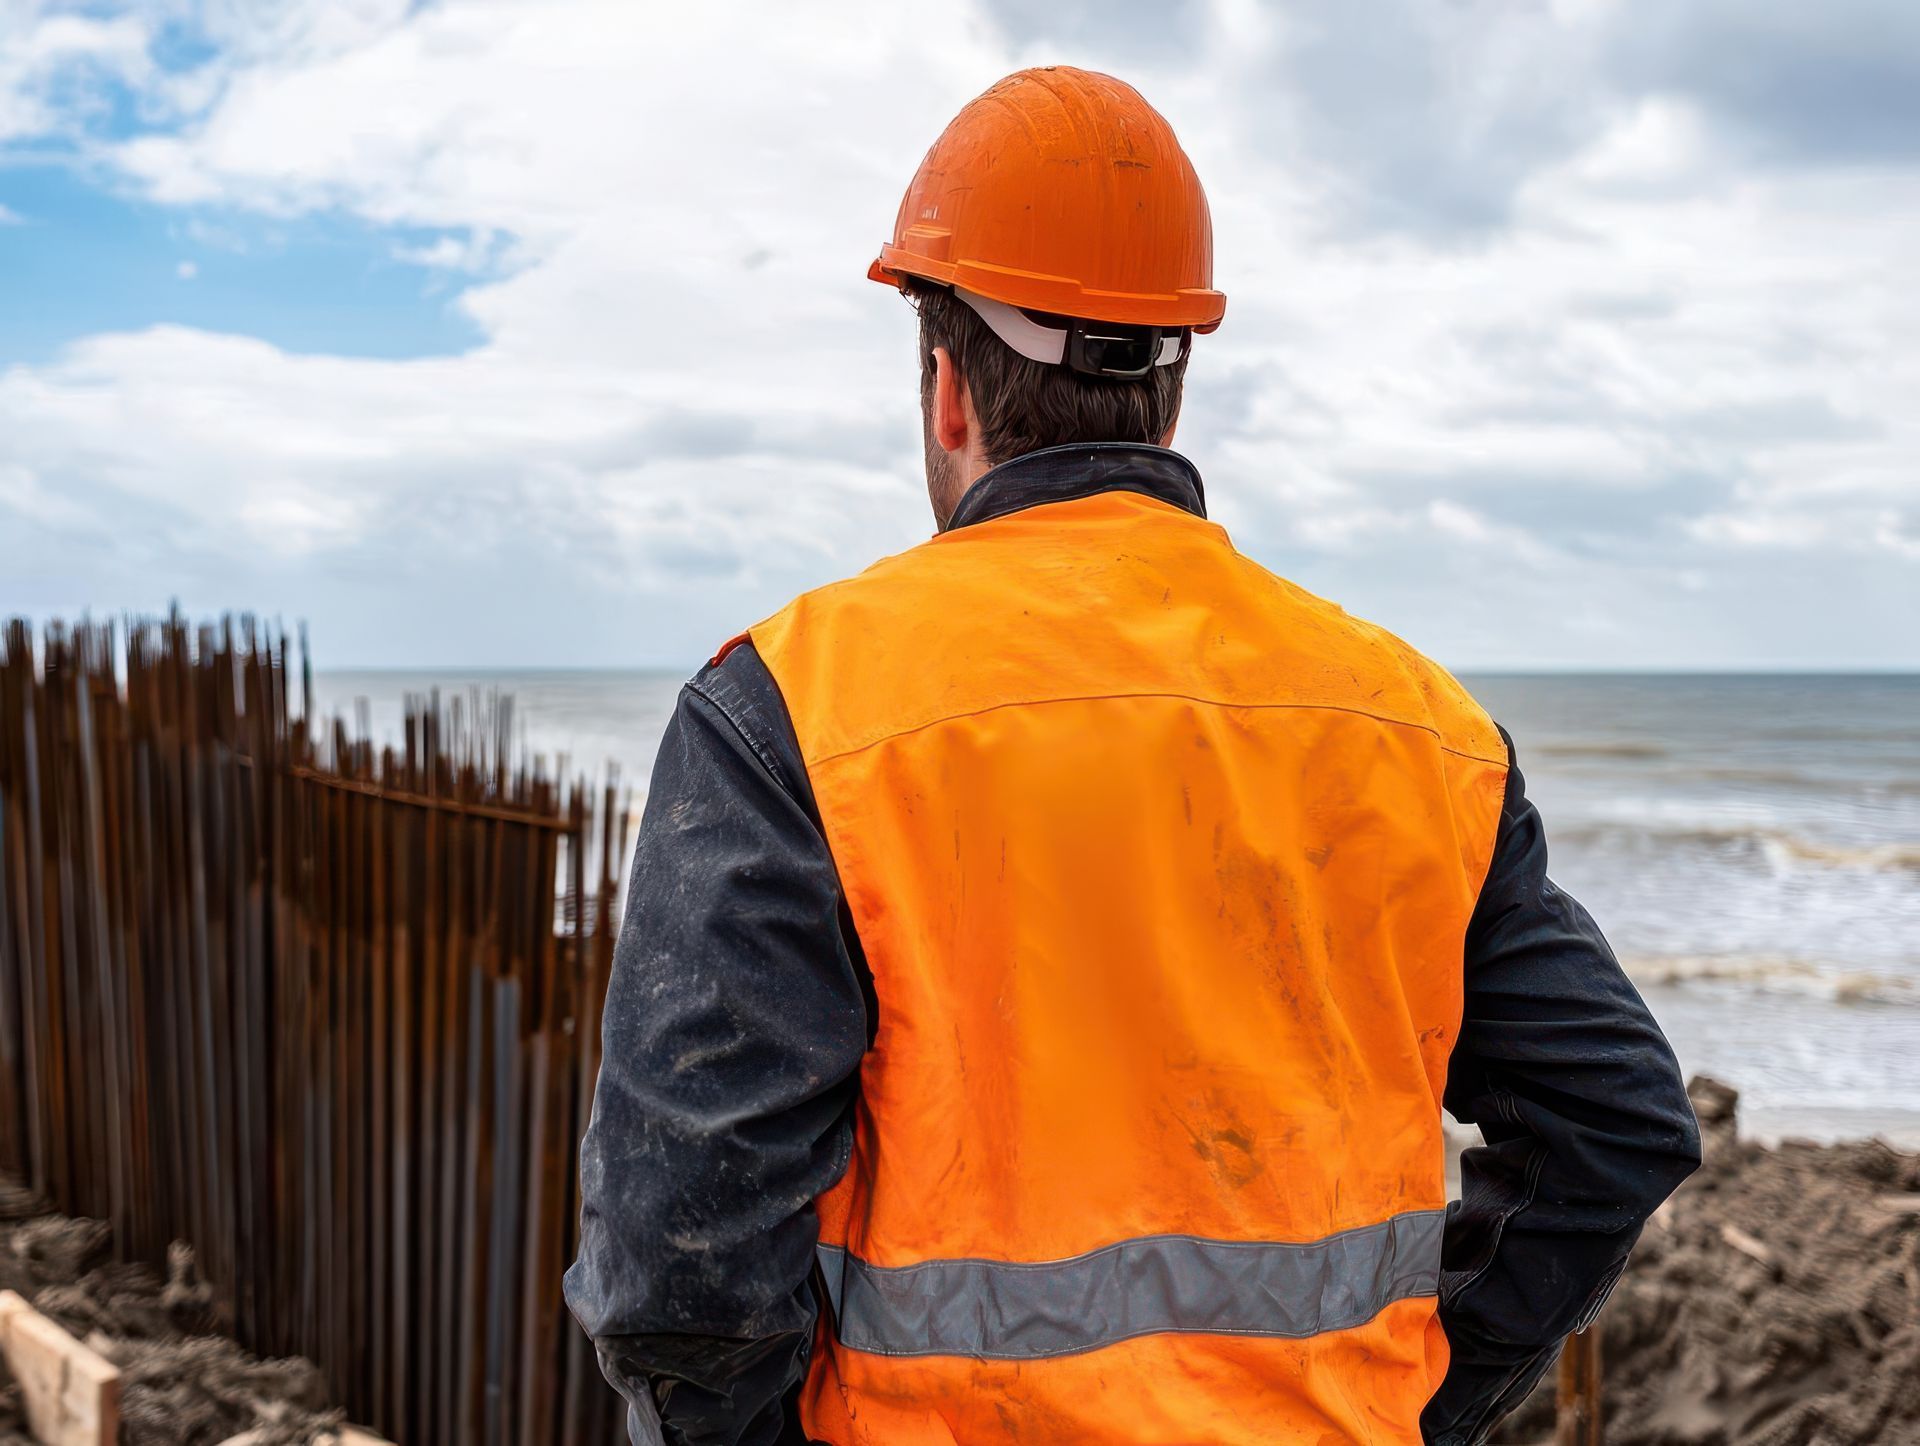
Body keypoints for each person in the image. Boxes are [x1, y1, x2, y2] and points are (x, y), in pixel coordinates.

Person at [565, 67, 1700, 1446]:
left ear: (944, 389)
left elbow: (685, 1266)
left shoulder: (795, 712)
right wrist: (1415, 1401)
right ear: (1173, 382)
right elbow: (1618, 1130)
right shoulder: (1420, 730)